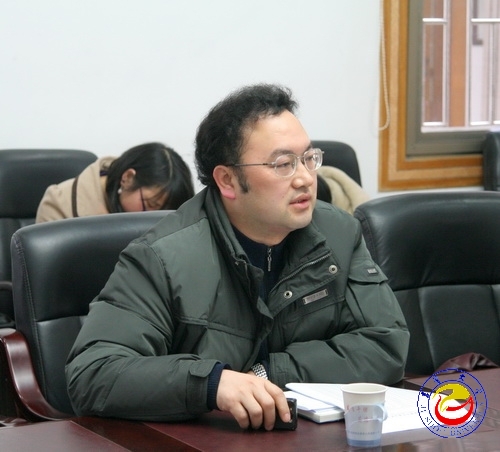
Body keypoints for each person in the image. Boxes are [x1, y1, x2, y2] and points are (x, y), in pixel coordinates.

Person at [66, 84, 409, 430]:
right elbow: (93, 374)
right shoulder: (162, 257)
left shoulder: (339, 233)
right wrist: (211, 384)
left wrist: (269, 374)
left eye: (308, 159)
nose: (305, 178)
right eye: (284, 164)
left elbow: (386, 342)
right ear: (228, 180)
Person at [35, 142, 195, 222]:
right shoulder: (58, 204)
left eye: (165, 213)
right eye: (150, 205)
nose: (154, 220)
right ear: (128, 178)